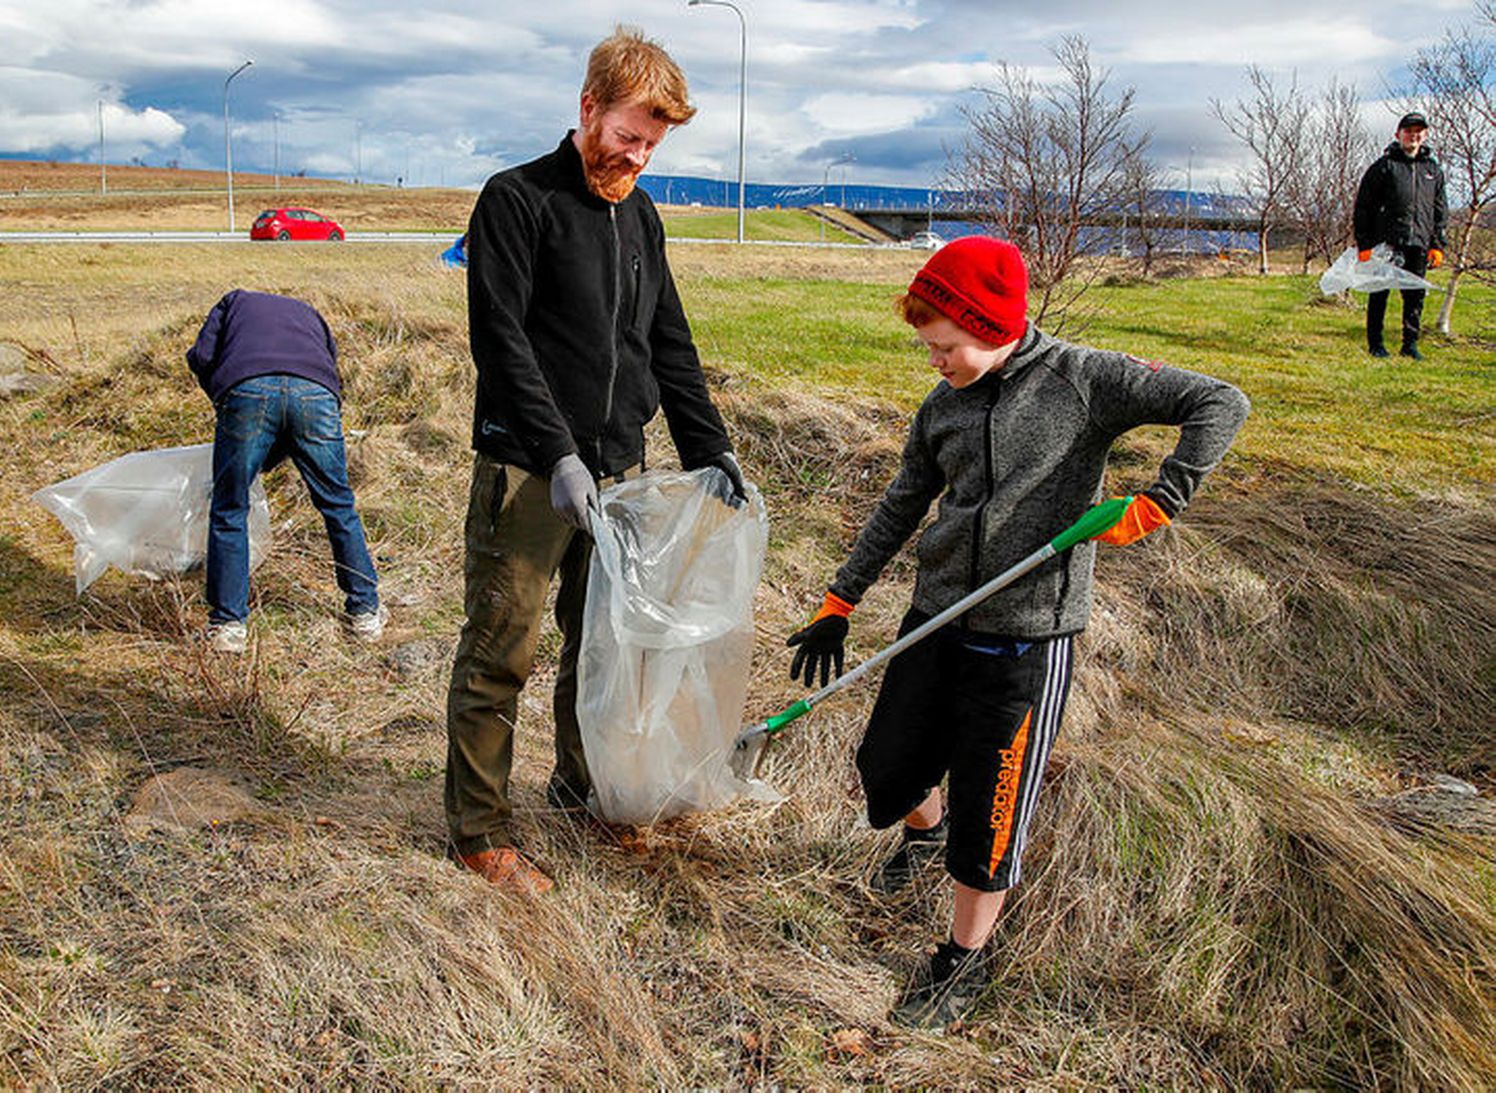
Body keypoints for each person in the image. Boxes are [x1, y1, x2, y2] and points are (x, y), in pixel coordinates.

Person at [784, 237, 1249, 1028]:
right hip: (936, 617)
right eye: (927, 348)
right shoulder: (944, 406)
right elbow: (903, 502)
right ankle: (925, 839)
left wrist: (1163, 498)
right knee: (886, 769)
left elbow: (1221, 402)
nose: (934, 361)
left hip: (1027, 637)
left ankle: (964, 954)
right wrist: (840, 598)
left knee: (991, 815)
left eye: (946, 346)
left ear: (992, 323)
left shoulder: (1085, 382)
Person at [446, 26, 747, 896]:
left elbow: (668, 342)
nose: (639, 157)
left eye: (652, 144)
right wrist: (559, 455)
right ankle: (478, 832)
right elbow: (501, 344)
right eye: (628, 135)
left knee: (601, 651)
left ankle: (581, 796)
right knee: (501, 648)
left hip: (619, 477)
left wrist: (710, 447)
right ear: (587, 109)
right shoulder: (516, 201)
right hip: (531, 476)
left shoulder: (641, 217)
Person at [185, 289, 386, 653]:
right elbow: (329, 360)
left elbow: (201, 355)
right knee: (338, 505)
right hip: (317, 393)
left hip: (248, 388)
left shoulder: (233, 301)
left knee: (230, 507)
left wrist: (223, 398)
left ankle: (228, 626)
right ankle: (365, 612)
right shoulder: (310, 312)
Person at [1352, 111, 1448, 360]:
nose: (1413, 136)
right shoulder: (1384, 167)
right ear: (1398, 135)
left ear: (1424, 136)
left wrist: (1437, 245)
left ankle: (1410, 344)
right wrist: (1365, 244)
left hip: (1418, 242)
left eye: (1418, 132)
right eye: (1408, 131)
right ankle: (1376, 344)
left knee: (1415, 296)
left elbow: (1440, 210)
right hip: (1386, 242)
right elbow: (1364, 207)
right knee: (1379, 293)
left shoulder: (1433, 171)